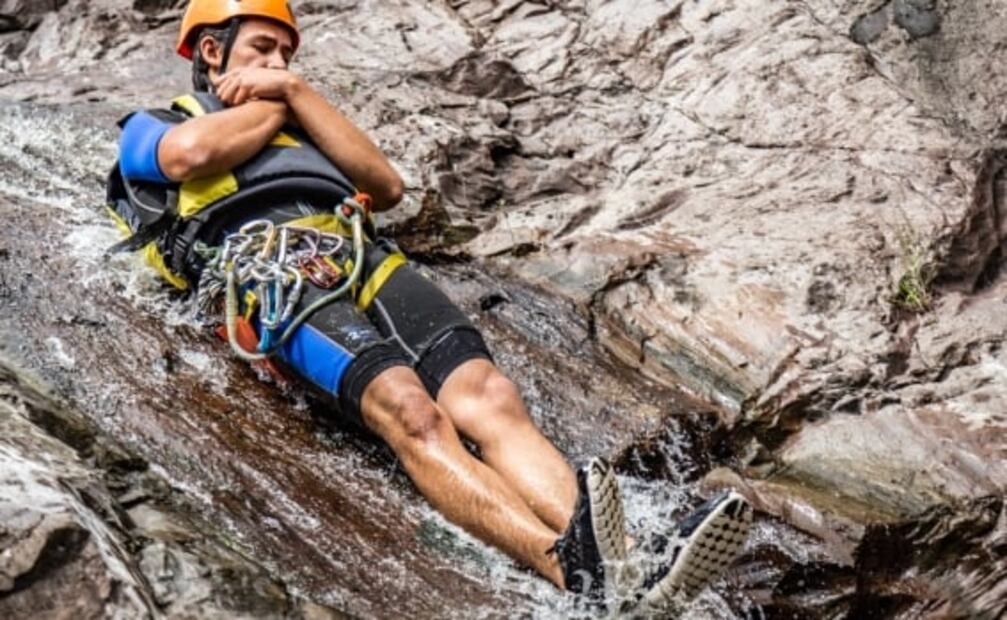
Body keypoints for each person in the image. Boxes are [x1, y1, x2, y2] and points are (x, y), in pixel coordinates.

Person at [105, 0, 752, 613]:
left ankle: (635, 562)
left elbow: (383, 185)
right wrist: (276, 105)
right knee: (410, 410)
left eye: (286, 53)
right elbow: (188, 157)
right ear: (212, 51)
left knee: (489, 394)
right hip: (267, 273)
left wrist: (296, 96)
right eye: (263, 49)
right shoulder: (152, 124)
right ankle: (569, 568)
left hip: (360, 254)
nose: (279, 63)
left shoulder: (300, 113)